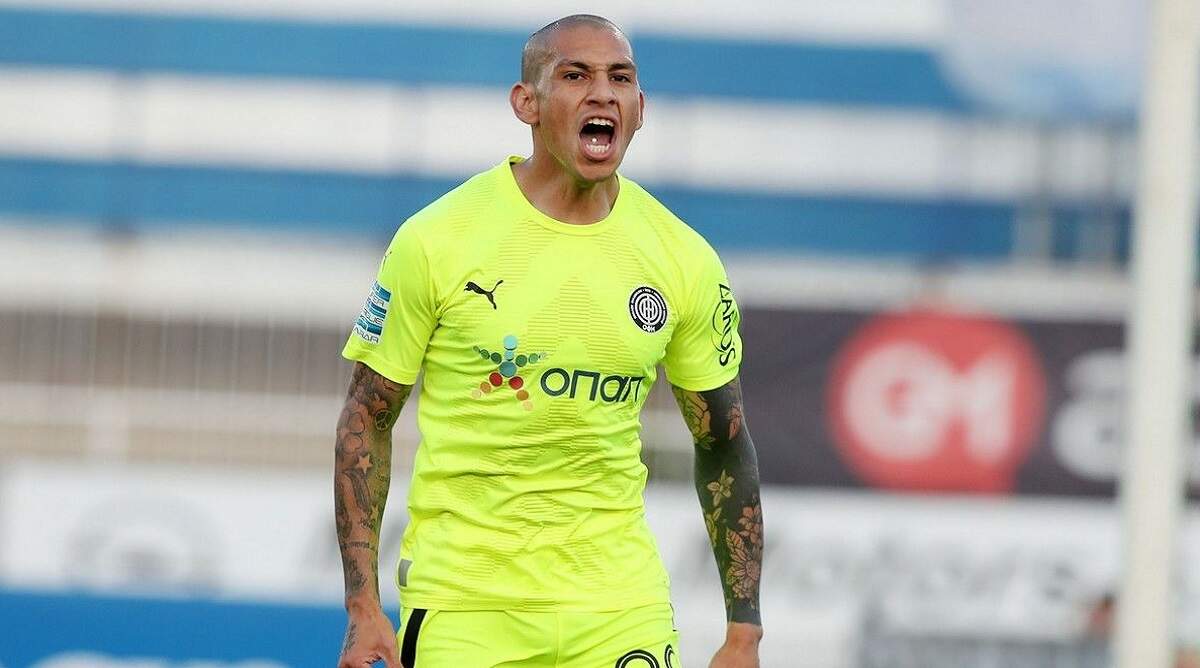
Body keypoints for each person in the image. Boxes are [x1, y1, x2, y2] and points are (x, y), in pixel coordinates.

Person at [334, 14, 763, 668]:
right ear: (526, 103)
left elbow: (724, 442)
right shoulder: (436, 239)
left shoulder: (684, 259)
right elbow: (366, 418)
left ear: (640, 108)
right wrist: (363, 606)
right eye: (575, 76)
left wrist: (743, 630)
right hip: (466, 606)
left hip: (620, 609)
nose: (603, 94)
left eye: (620, 78)